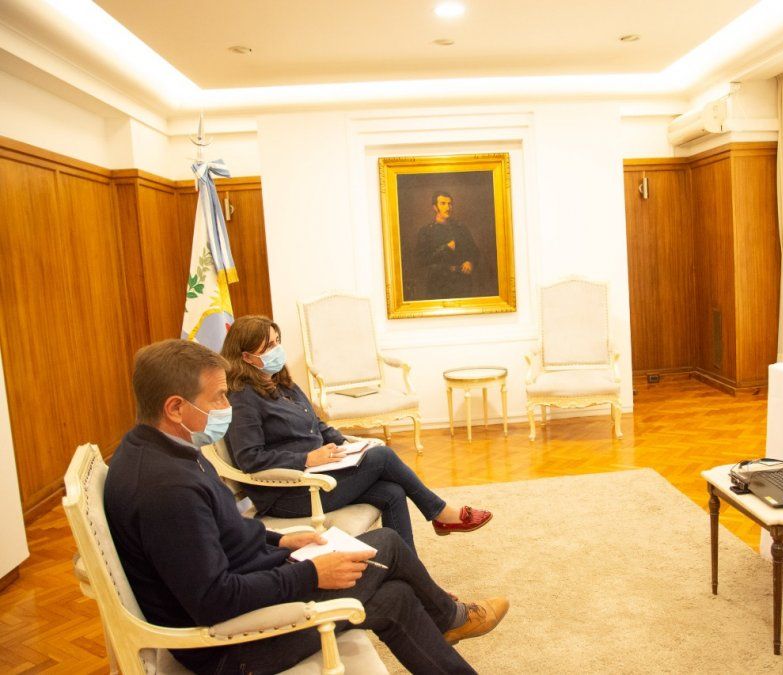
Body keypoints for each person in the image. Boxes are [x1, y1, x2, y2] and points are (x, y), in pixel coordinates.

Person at [104, 339, 508, 675]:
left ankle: (450, 620)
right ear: (176, 408)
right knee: (384, 542)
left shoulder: (158, 451)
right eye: (220, 396)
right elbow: (214, 599)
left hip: (254, 592)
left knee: (397, 597)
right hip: (237, 645)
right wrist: (311, 572)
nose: (228, 405)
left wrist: (281, 540)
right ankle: (452, 618)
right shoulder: (166, 488)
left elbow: (218, 532)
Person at [221, 315, 491, 552]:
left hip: (318, 475)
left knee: (392, 492)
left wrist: (349, 446)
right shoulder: (242, 397)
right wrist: (306, 459)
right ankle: (441, 513)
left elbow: (318, 425)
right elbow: (250, 457)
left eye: (278, 341)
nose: (277, 350)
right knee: (383, 456)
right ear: (245, 357)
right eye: (269, 346)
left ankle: (411, 577)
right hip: (291, 493)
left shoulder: (282, 385)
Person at [414, 190, 480, 299]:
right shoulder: (426, 231)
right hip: (437, 284)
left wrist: (470, 262)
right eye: (443, 203)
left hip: (462, 283)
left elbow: (475, 251)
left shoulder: (461, 228)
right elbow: (421, 260)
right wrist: (446, 248)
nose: (448, 207)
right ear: (435, 207)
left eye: (450, 204)